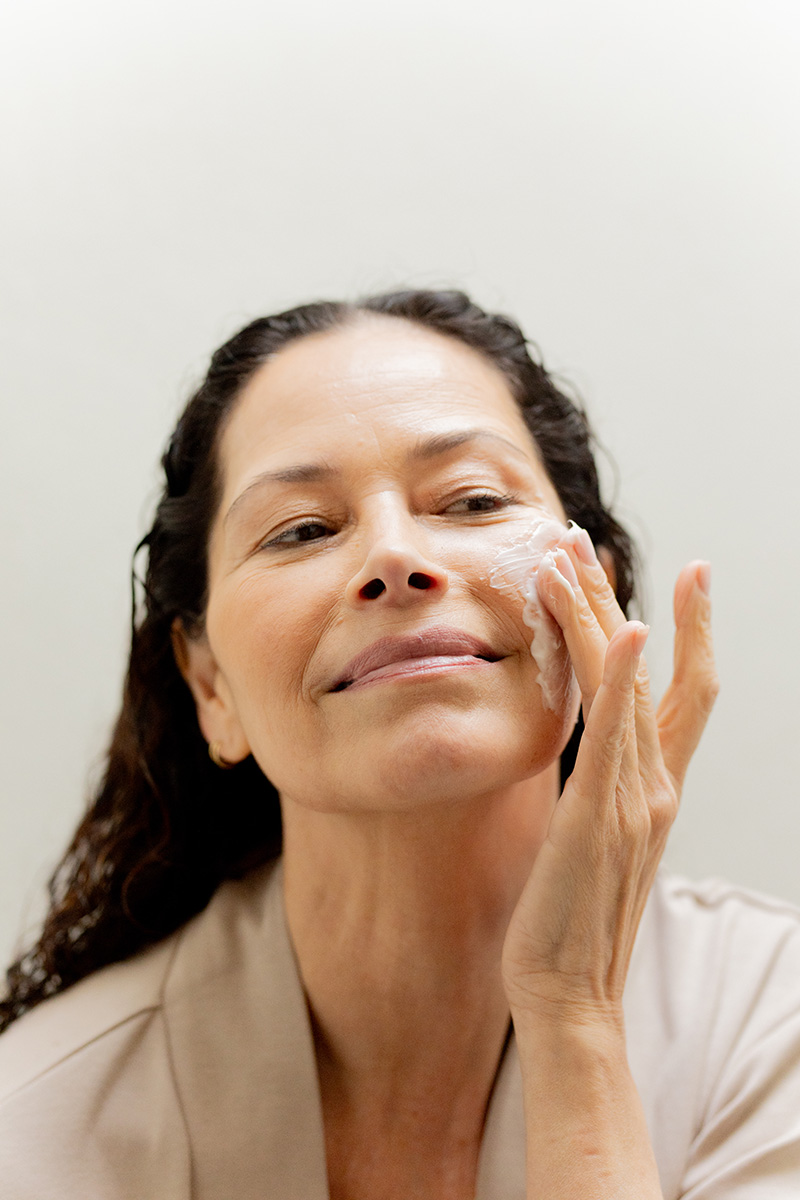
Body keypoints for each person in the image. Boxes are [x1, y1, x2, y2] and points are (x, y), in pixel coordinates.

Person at [1, 289, 799, 1199]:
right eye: (302, 528)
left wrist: (572, 1016)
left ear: (599, 607)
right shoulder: (37, 1129)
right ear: (209, 685)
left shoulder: (772, 1027)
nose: (393, 556)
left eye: (472, 498)